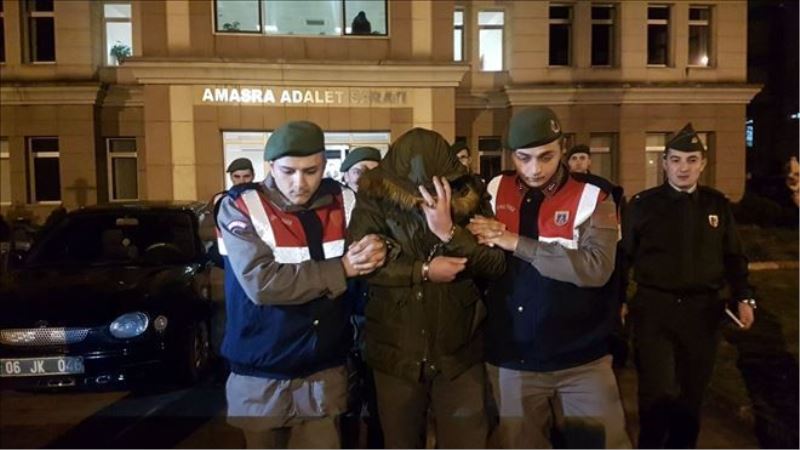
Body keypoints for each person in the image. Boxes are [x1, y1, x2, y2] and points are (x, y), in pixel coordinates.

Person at [217, 120, 388, 449]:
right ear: (270, 166)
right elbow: (262, 283)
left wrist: (380, 247)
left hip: (323, 370)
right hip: (261, 372)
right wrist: (342, 269)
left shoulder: (345, 201)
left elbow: (376, 250)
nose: (300, 183)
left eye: (311, 171)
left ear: (324, 164)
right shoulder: (239, 206)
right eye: (288, 171)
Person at [468, 106, 630, 449]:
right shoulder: (494, 189)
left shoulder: (595, 196)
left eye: (546, 156)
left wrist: (515, 242)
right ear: (511, 154)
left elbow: (596, 268)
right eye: (523, 158)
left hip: (582, 357)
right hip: (512, 356)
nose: (534, 169)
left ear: (563, 148)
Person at [347, 128, 506, 448]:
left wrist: (450, 233)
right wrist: (422, 271)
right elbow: (363, 267)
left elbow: (495, 264)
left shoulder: (468, 194)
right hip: (396, 349)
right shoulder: (374, 196)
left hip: (459, 350)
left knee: (466, 440)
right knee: (401, 439)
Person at [623, 122, 756, 449]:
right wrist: (617, 301)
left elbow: (734, 256)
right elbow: (622, 258)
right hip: (656, 310)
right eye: (676, 160)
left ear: (702, 164)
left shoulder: (716, 205)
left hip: (703, 312)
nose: (684, 168)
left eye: (692, 160)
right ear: (664, 163)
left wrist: (744, 297)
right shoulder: (642, 205)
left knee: (692, 394)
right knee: (657, 392)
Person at [337, 145, 384, 449]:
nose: (365, 176)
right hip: (345, 317)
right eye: (358, 170)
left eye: (373, 170)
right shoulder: (334, 211)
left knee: (382, 403)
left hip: (382, 317)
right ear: (346, 175)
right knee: (346, 401)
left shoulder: (393, 207)